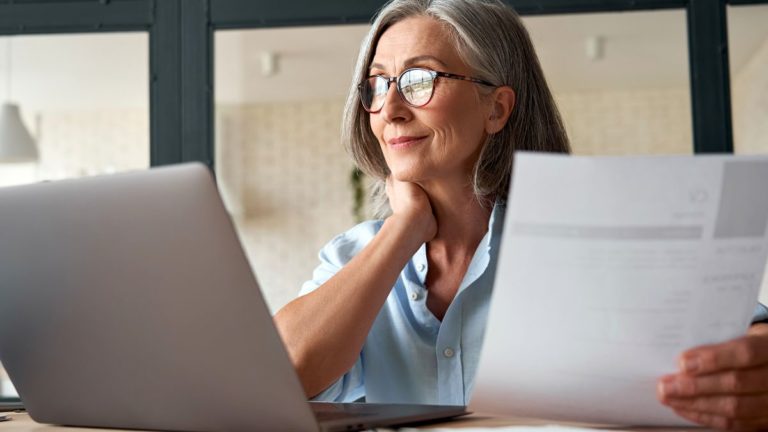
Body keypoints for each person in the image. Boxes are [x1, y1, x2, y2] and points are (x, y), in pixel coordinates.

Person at [274, 0, 768, 429]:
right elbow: (283, 373)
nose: (392, 109)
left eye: (419, 79)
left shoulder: (587, 237)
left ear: (497, 109)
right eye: (378, 85)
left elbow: (744, 334)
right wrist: (404, 229)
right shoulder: (351, 257)